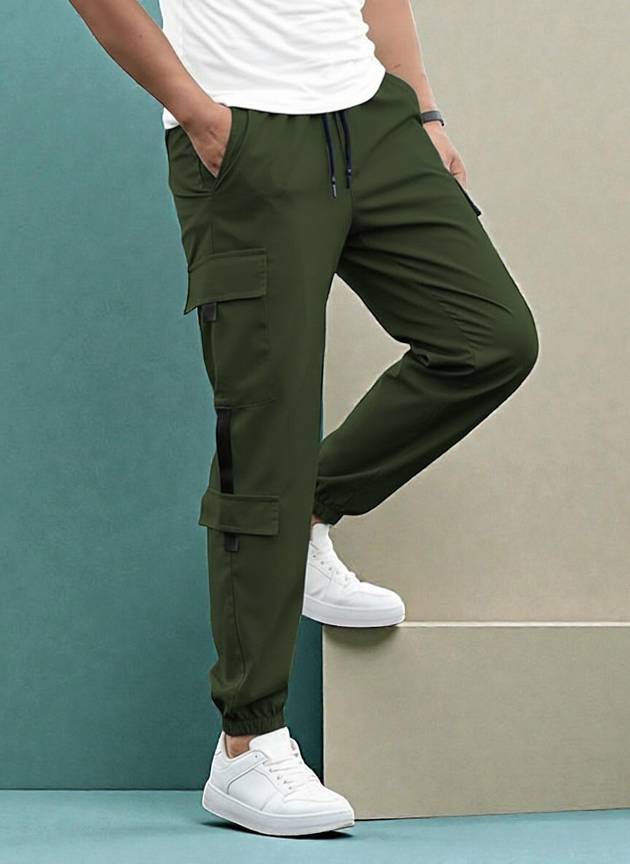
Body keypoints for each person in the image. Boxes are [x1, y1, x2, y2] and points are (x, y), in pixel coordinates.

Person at [69, 0, 539, 837]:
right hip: (243, 130)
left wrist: (422, 109)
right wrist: (197, 113)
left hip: (374, 118)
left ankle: (310, 513)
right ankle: (246, 746)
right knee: (266, 430)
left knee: (490, 342)